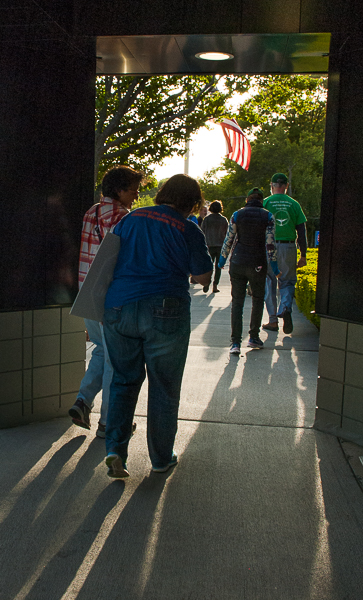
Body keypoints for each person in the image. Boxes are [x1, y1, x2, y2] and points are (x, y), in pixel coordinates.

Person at [103, 174, 213, 478]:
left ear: (162, 194)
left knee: (123, 381)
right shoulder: (187, 227)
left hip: (118, 306)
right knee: (164, 387)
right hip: (166, 309)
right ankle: (161, 458)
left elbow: (108, 260)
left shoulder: (130, 219)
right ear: (192, 203)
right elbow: (202, 276)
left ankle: (115, 449)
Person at [68, 165, 143, 438]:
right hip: (112, 297)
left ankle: (83, 401)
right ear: (120, 190)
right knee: (117, 360)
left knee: (102, 349)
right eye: (133, 190)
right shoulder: (124, 218)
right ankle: (109, 422)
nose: (136, 195)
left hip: (88, 294)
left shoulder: (91, 211)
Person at [218, 188, 280, 355]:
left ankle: (235, 343)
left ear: (247, 200)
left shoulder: (237, 214)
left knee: (237, 302)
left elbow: (229, 238)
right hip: (257, 262)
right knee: (258, 300)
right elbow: (270, 244)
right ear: (261, 201)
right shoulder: (267, 216)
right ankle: (253, 337)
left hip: (238, 261)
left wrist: (222, 259)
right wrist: (274, 265)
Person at [262, 173, 307, 334]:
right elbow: (301, 230)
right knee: (287, 282)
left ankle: (273, 321)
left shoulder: (266, 202)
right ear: (286, 186)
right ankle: (286, 307)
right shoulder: (294, 204)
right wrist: (303, 254)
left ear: (272, 185)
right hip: (288, 247)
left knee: (269, 283)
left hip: (268, 247)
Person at [201, 200, 228, 293]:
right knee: (218, 267)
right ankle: (215, 285)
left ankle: (206, 283)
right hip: (220, 246)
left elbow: (202, 231)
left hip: (209, 245)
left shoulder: (207, 219)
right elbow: (227, 233)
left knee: (209, 266)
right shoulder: (223, 220)